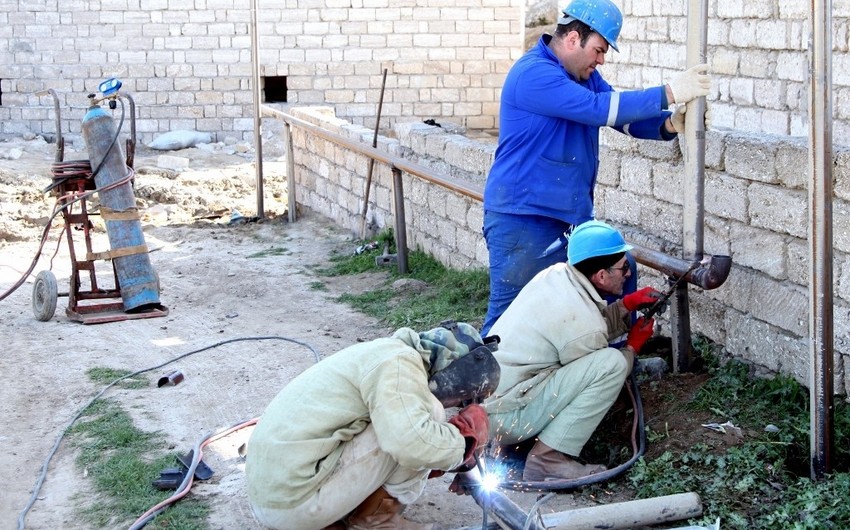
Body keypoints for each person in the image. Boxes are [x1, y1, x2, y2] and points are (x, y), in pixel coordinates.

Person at [480, 0, 711, 335]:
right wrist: (671, 92)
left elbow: (622, 120)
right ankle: (487, 385)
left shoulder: (583, 75)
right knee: (508, 319)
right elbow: (600, 109)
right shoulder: (534, 74)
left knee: (621, 269)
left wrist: (669, 125)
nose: (601, 60)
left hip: (569, 219)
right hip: (524, 219)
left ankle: (616, 363)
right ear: (573, 39)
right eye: (599, 50)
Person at [245, 321, 497, 530]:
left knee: (408, 424)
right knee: (429, 415)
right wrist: (463, 443)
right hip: (292, 504)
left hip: (276, 495)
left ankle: (340, 514)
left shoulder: (384, 354)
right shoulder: (399, 363)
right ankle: (375, 521)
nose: (456, 404)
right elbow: (411, 443)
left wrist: (450, 459)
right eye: (460, 399)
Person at [482, 220, 661, 482]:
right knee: (612, 363)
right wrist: (633, 347)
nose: (628, 274)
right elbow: (594, 358)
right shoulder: (583, 326)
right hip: (507, 420)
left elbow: (582, 327)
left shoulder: (556, 276)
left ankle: (515, 447)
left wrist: (626, 305)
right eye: (624, 267)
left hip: (487, 407)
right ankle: (547, 459)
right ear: (601, 275)